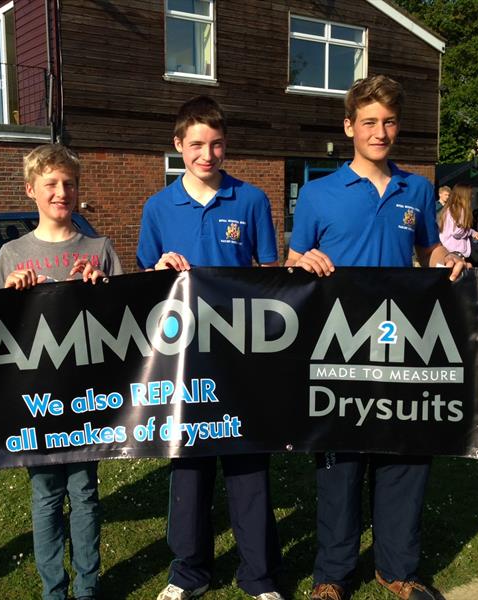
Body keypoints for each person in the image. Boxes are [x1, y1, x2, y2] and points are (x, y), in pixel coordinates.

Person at [285, 75, 467, 600]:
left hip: (402, 346)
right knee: (338, 463)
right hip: (338, 350)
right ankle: (332, 576)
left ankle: (398, 570)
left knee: (405, 453)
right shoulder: (319, 193)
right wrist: (303, 261)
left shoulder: (418, 189)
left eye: (388, 122)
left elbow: (429, 251)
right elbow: (292, 262)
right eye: (369, 122)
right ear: (349, 127)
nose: (380, 131)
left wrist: (446, 260)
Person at [136, 95, 283, 600]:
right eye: (196, 143)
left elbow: (268, 278)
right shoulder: (157, 207)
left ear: (226, 146)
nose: (207, 153)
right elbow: (144, 288)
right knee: (188, 469)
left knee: (249, 467)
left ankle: (259, 578)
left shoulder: (252, 200)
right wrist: (156, 273)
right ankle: (188, 573)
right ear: (178, 145)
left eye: (216, 143)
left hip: (241, 359)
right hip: (182, 363)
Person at [0, 143, 122, 600]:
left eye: (69, 184)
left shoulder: (99, 248)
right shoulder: (11, 253)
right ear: (31, 191)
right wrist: (7, 292)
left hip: (86, 397)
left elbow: (126, 323)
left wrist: (101, 289)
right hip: (35, 399)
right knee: (45, 495)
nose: (61, 192)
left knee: (83, 492)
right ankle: (53, 591)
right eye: (51, 184)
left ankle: (87, 588)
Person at [438, 183, 478, 257]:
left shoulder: (451, 208)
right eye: (471, 194)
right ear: (464, 195)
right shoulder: (460, 210)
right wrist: (471, 232)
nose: (472, 196)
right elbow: (457, 232)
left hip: (447, 248)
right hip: (455, 250)